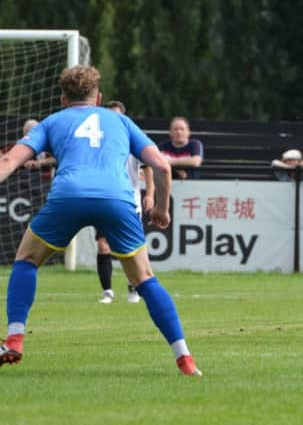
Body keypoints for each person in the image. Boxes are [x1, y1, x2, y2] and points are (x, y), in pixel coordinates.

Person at [0, 65, 201, 375]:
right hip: (117, 199)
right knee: (144, 278)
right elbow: (162, 167)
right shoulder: (121, 121)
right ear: (98, 97)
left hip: (69, 195)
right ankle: (185, 359)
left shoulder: (53, 121)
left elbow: (10, 159)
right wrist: (161, 209)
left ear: (63, 99)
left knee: (26, 259)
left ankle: (14, 339)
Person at [97, 100, 155, 304]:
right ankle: (107, 292)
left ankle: (134, 287)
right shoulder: (98, 139)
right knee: (103, 245)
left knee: (129, 248)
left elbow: (148, 167)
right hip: (104, 199)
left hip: (130, 201)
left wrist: (150, 194)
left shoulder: (133, 139)